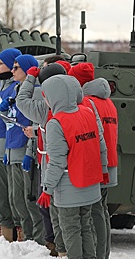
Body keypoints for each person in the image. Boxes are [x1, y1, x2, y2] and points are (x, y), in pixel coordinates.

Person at [37, 74, 108, 259]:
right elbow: (101, 145)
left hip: (69, 187)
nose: (45, 100)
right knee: (86, 226)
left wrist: (47, 189)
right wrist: (104, 170)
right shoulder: (88, 113)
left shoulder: (56, 123)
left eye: (45, 96)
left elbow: (57, 161)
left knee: (71, 229)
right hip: (90, 184)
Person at [15, 61, 68, 257]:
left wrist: (30, 78)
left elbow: (22, 101)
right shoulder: (78, 103)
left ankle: (58, 246)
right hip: (63, 162)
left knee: (53, 209)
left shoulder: (44, 107)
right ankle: (59, 245)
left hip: (51, 162)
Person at [72, 63, 118, 259]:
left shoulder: (87, 103)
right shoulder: (107, 101)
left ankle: (98, 254)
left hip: (96, 163)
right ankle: (103, 253)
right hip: (110, 162)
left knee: (93, 213)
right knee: (102, 211)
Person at [0, 54, 45, 244]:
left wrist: (29, 153)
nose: (12, 70)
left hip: (26, 151)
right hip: (13, 149)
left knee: (29, 199)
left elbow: (37, 124)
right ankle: (25, 235)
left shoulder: (35, 92)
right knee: (16, 199)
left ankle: (37, 239)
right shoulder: (16, 90)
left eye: (16, 67)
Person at [0, 47, 21, 242]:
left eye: (1, 63)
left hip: (9, 145)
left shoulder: (15, 87)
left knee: (13, 193)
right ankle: (5, 232)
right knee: (0, 193)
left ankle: (19, 232)